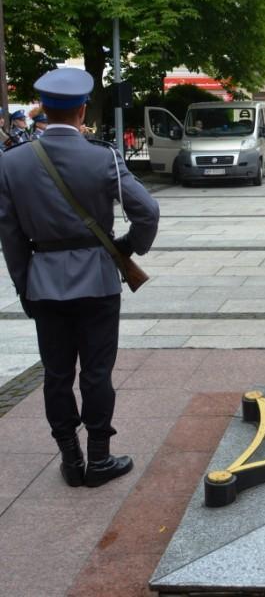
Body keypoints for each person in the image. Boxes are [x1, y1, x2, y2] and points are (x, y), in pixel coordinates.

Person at [0, 68, 160, 488]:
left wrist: (25, 286)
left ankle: (71, 459)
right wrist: (126, 247)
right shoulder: (102, 156)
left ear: (42, 110)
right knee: (95, 373)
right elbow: (149, 211)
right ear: (82, 109)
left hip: (44, 283)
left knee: (56, 374)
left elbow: (11, 237)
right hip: (98, 281)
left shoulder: (12, 162)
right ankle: (100, 459)